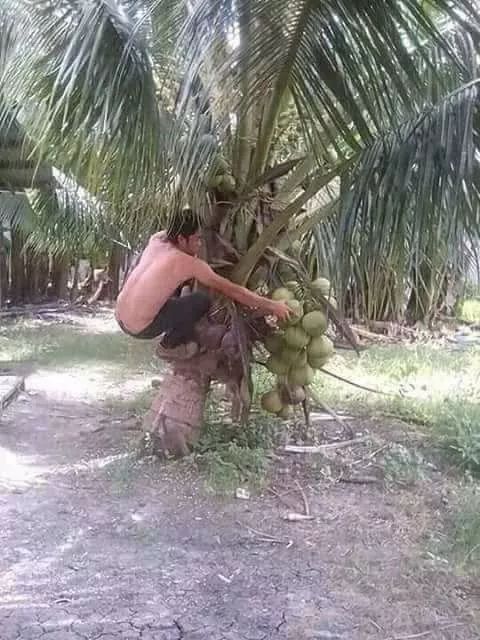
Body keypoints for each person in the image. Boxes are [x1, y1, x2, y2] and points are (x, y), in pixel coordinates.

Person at [115, 212, 292, 356]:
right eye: (197, 239)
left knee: (171, 289)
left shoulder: (156, 241)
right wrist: (273, 306)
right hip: (141, 328)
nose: (200, 244)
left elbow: (168, 233)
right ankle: (168, 345)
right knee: (200, 301)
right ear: (181, 239)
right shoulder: (188, 263)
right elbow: (234, 291)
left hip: (120, 315)